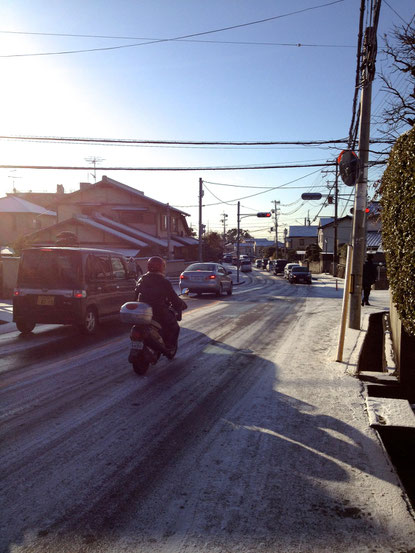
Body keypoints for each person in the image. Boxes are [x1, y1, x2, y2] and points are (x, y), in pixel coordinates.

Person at [134, 256, 187, 351]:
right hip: (158, 311)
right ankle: (169, 346)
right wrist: (180, 305)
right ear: (161, 267)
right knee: (174, 327)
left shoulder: (142, 279)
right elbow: (173, 298)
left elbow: (135, 296)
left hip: (142, 311)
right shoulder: (163, 281)